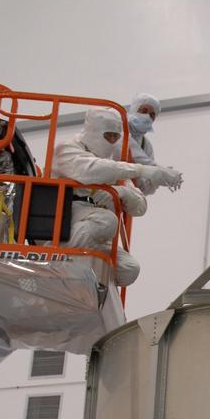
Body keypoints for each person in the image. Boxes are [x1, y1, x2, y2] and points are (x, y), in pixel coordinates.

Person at [52, 108, 181, 287]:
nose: (112, 141)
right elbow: (91, 170)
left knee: (129, 269)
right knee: (106, 220)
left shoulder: (114, 165)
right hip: (64, 222)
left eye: (116, 137)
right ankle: (54, 257)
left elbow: (140, 207)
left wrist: (123, 192)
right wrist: (143, 170)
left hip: (95, 233)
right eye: (108, 136)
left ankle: (87, 285)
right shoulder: (67, 148)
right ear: (94, 131)